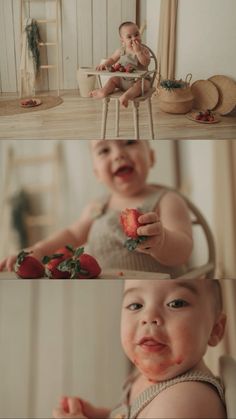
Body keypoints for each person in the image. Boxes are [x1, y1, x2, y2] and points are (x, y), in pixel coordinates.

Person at [0, 140, 193, 278]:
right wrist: (37, 251)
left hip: (154, 287)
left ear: (151, 157)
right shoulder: (97, 207)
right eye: (104, 150)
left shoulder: (167, 199)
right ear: (97, 174)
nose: (118, 154)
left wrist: (162, 241)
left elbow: (183, 250)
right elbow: (72, 235)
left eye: (130, 141)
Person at [52, 279, 227, 419]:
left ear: (215, 329)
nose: (148, 316)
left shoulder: (185, 400)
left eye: (176, 303)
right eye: (135, 305)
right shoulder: (143, 377)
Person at [89, 21, 151, 108]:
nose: (134, 38)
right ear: (123, 40)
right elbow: (112, 59)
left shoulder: (144, 50)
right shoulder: (121, 50)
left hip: (139, 80)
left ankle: (126, 96)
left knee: (144, 85)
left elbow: (146, 62)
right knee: (113, 79)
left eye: (136, 35)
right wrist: (105, 64)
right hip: (123, 80)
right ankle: (103, 91)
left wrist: (138, 52)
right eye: (129, 37)